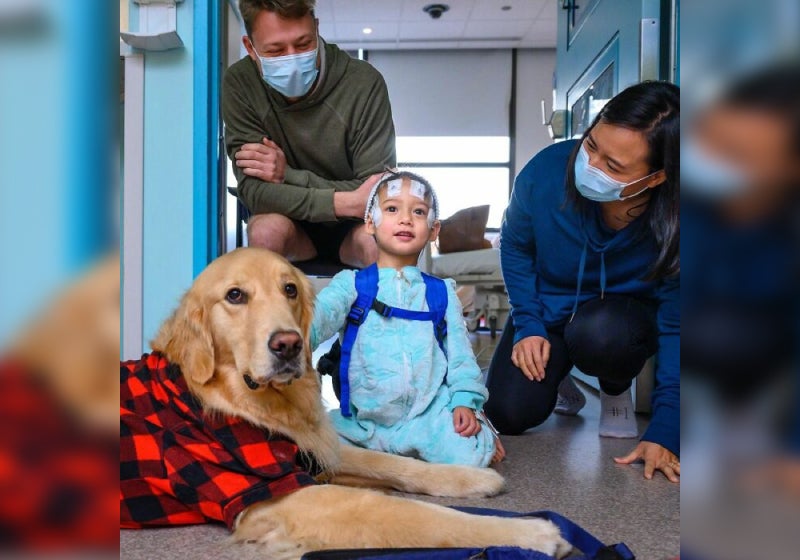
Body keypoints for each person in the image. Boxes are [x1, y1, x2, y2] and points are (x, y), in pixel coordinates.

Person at [485, 81, 680, 482]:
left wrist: (667, 430)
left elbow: (681, 327)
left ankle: (614, 388)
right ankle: (561, 378)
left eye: (614, 167)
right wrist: (528, 325)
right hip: (550, 308)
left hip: (617, 323)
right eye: (592, 146)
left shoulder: (682, 220)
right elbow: (516, 247)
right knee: (508, 413)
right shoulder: (545, 171)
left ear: (656, 178)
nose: (590, 167)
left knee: (603, 333)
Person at [310, 171, 504, 467]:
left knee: (471, 454)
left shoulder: (442, 293)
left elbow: (461, 358)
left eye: (418, 211)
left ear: (434, 229)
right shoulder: (351, 284)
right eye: (391, 209)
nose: (405, 219)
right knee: (309, 449)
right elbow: (313, 322)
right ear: (370, 223)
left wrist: (466, 402)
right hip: (363, 424)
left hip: (426, 419)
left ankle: (478, 424)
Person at [222, 0, 396, 267]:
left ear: (316, 28)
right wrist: (346, 202)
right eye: (276, 50)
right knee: (265, 232)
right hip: (290, 223)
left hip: (354, 228)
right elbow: (255, 191)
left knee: (378, 244)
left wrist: (286, 175)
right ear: (250, 48)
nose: (292, 60)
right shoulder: (240, 84)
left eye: (303, 44)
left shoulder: (364, 83)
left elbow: (375, 194)